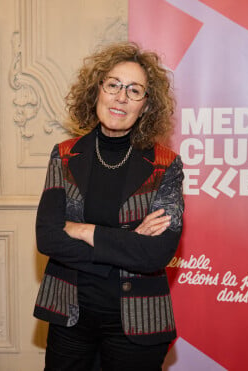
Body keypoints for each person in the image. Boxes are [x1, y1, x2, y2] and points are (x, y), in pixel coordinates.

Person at [33, 41, 184, 371]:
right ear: (97, 91)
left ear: (146, 105)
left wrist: (85, 231)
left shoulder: (166, 164)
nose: (121, 97)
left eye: (135, 90)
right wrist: (128, 240)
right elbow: (48, 238)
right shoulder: (65, 154)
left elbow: (156, 253)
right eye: (113, 85)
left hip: (137, 324)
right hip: (70, 317)